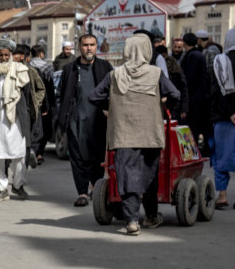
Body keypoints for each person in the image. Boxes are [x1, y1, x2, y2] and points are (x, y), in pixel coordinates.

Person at [89, 34, 180, 235]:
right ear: (147, 50)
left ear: (127, 51)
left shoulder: (115, 75)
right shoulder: (156, 73)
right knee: (149, 176)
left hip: (123, 135)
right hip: (150, 133)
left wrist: (111, 107)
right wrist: (163, 106)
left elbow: (94, 96)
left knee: (127, 176)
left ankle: (132, 220)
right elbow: (175, 94)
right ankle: (151, 216)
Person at [56, 34, 112, 207]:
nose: (89, 48)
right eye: (86, 45)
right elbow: (61, 94)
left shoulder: (105, 67)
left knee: (97, 156)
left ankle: (95, 188)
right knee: (78, 157)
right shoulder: (70, 69)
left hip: (99, 121)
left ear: (97, 47)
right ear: (79, 47)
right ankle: (82, 192)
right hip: (77, 120)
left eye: (92, 45)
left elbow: (113, 91)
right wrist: (63, 116)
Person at [0, 39, 35, 202]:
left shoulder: (21, 70)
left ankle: (18, 185)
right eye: (1, 55)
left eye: (7, 55)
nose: (4, 58)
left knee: (20, 155)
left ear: (11, 55)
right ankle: (1, 189)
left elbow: (29, 97)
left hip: (16, 120)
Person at [209, 27, 235, 209]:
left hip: (224, 117)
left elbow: (216, 92)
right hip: (228, 114)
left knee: (221, 158)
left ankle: (223, 196)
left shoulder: (220, 61)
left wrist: (230, 112)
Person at [180, 32, 211, 153]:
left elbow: (189, 79)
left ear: (184, 43)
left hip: (193, 98)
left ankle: (192, 152)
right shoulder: (199, 54)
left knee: (192, 127)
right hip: (200, 97)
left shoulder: (191, 56)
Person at [29, 43, 55, 164]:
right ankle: (38, 153)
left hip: (29, 102)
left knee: (32, 128)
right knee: (44, 130)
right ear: (41, 54)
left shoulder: (27, 66)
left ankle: (31, 151)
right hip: (45, 102)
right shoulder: (47, 66)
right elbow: (50, 85)